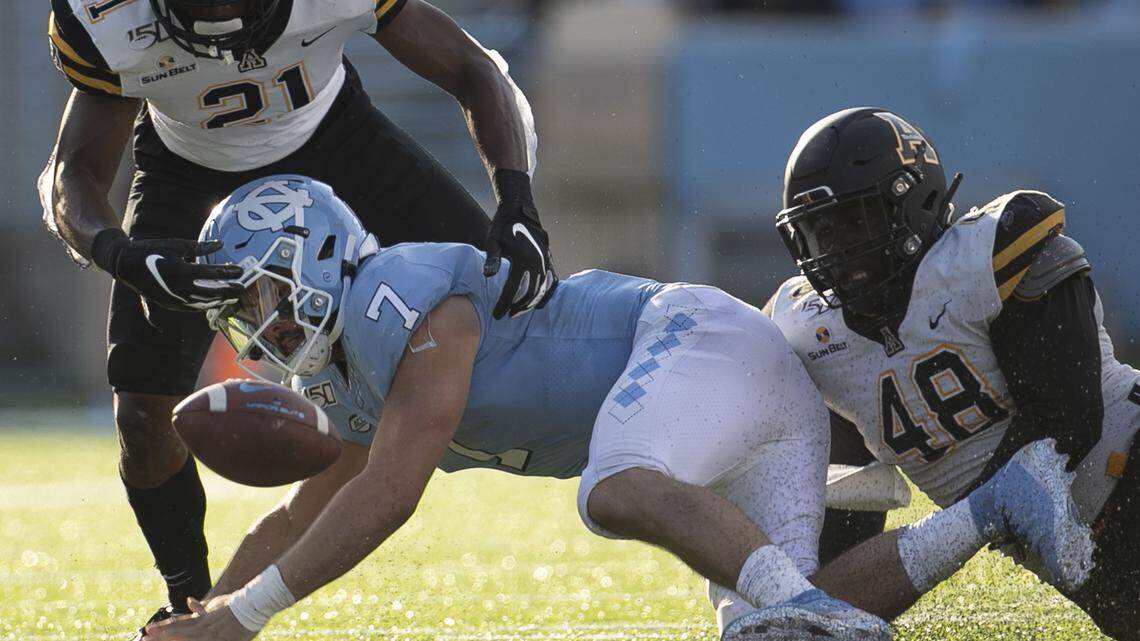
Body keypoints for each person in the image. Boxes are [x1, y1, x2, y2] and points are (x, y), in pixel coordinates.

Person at [140, 175, 1091, 641]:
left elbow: (392, 489)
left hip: (695, 343)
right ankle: (994, 509)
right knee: (784, 633)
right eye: (239, 313)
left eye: (259, 297)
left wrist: (249, 618)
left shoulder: (395, 291)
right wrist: (209, 607)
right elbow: (304, 509)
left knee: (613, 488)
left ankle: (807, 601)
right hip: (724, 400)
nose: (255, 326)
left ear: (313, 258)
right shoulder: (345, 370)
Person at [40, 0, 556, 633]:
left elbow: (474, 69)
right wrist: (120, 253)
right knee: (145, 417)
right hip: (184, 169)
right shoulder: (105, 17)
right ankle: (191, 604)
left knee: (499, 298)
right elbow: (72, 174)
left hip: (336, 139)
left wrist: (518, 201)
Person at [765, 107, 1140, 640]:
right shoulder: (808, 335)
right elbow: (850, 503)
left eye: (855, 222)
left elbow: (1067, 421)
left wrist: (955, 529)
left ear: (912, 201)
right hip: (1082, 547)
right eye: (820, 233)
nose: (839, 251)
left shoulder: (984, 257)